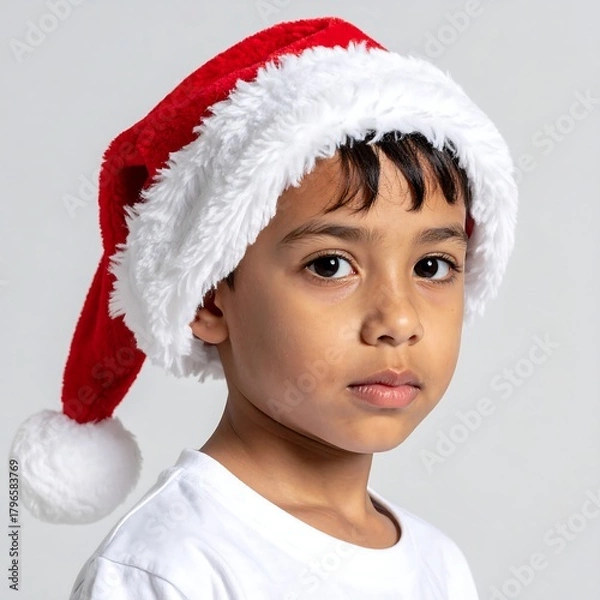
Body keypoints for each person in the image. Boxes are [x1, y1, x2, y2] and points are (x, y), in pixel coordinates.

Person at [9, 16, 517, 599]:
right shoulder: (170, 569)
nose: (398, 321)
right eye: (330, 265)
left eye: (432, 267)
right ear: (208, 295)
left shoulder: (437, 565)